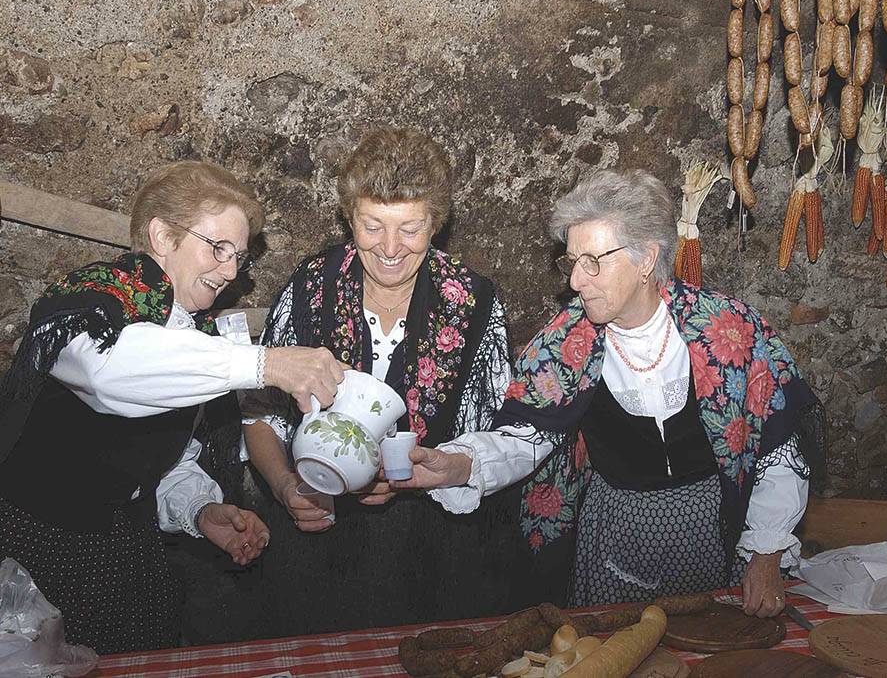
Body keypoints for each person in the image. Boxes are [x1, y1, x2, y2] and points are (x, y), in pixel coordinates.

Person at [396, 168, 824, 617]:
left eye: (593, 261)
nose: (577, 281)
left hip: (713, 541)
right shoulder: (566, 344)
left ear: (645, 260)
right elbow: (523, 440)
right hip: (613, 541)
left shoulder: (728, 331)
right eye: (572, 262)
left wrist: (767, 553)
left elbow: (777, 448)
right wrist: (460, 465)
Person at [0, 161, 345, 654]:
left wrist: (200, 509)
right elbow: (109, 374)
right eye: (218, 248)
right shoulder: (92, 298)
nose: (230, 271)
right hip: (39, 551)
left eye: (238, 257)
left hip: (126, 551)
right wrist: (267, 364)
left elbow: (163, 459)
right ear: (162, 235)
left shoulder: (191, 335)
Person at [242, 126, 516, 635]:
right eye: (373, 226)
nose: (390, 247)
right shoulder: (311, 287)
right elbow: (260, 412)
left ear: (436, 223)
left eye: (410, 228)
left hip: (430, 548)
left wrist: (430, 470)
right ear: (350, 219)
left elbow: (496, 432)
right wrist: (284, 486)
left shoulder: (474, 303)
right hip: (316, 536)